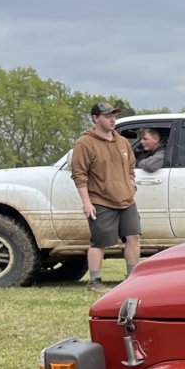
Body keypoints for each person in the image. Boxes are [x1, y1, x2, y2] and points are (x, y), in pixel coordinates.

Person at [71, 102, 141, 292]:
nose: (113, 119)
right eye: (107, 116)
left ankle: (132, 279)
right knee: (100, 242)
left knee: (133, 237)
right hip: (100, 201)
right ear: (95, 118)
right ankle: (94, 282)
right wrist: (87, 203)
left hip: (126, 200)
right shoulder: (84, 143)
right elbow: (79, 174)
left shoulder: (122, 141)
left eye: (114, 115)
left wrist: (131, 183)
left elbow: (131, 166)